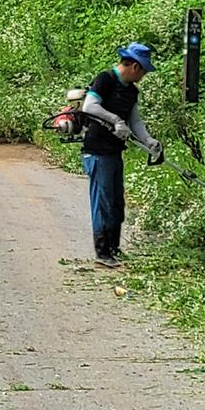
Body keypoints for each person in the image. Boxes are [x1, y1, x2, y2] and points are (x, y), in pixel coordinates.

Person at [81, 42, 161, 268]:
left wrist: (148, 140)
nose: (143, 76)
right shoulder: (105, 79)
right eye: (144, 71)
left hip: (115, 152)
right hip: (97, 152)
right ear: (135, 67)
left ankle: (114, 249)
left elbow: (135, 120)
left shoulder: (131, 91)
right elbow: (89, 106)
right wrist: (115, 120)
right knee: (103, 202)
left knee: (116, 203)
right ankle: (102, 252)